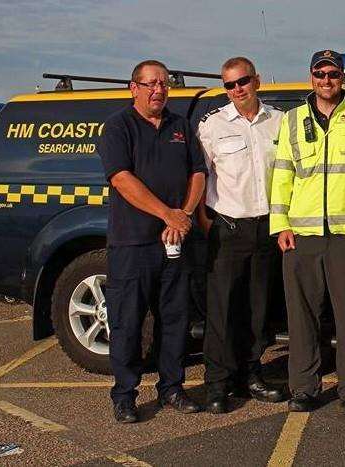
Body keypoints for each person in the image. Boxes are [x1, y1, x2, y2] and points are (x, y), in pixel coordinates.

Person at [269, 50, 345, 414]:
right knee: (302, 317)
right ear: (311, 77)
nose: (327, 80)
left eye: (333, 73)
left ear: (342, 78)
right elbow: (282, 173)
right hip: (301, 235)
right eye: (320, 73)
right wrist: (280, 224)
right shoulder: (291, 120)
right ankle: (303, 388)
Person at [99, 59, 207, 423]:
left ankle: (172, 387)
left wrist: (186, 214)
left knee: (175, 320)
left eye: (163, 83)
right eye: (150, 84)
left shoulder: (181, 126)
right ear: (134, 88)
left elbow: (198, 172)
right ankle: (125, 395)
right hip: (133, 245)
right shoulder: (118, 127)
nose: (158, 90)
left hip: (176, 242)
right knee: (127, 322)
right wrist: (167, 214)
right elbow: (121, 179)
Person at [196, 57, 287, 414]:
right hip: (229, 228)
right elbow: (199, 177)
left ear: (257, 81)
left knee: (257, 310)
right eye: (230, 85)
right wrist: (207, 223)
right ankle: (217, 384)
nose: (238, 89)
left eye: (243, 81)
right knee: (221, 312)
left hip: (266, 229)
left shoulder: (279, 122)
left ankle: (251, 375)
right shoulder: (212, 125)